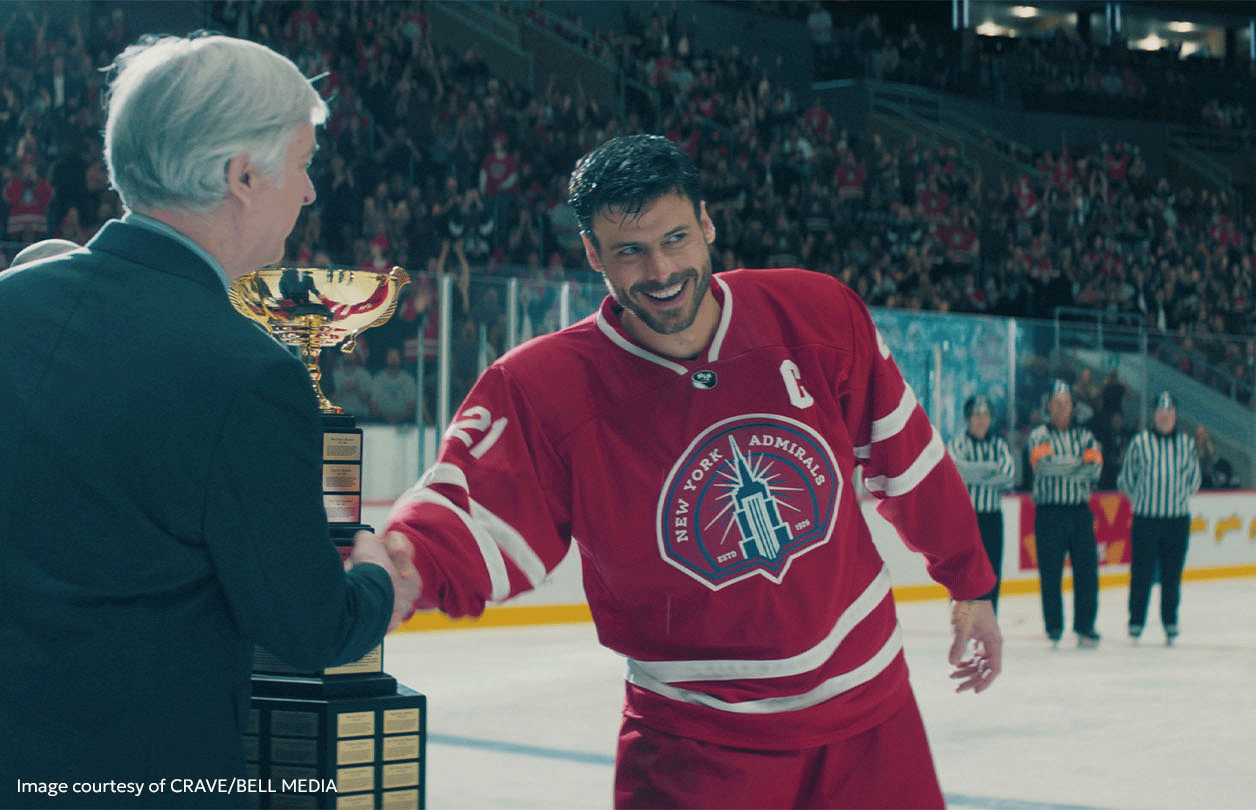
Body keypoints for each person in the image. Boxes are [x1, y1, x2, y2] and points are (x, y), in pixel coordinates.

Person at [381, 134, 1002, 809]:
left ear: (707, 223)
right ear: (593, 254)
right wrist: (404, 567)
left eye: (676, 238)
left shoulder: (815, 314)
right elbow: (473, 513)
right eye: (630, 251)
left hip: (869, 717)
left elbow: (907, 460)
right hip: (694, 746)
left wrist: (969, 585)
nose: (661, 269)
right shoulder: (545, 388)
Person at [0, 35, 417, 810]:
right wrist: (376, 582)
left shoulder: (9, 307)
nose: (310, 193)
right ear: (242, 175)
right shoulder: (248, 373)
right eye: (302, 163)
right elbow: (304, 628)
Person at [1117, 392, 1201, 646]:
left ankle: (1170, 621)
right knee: (1141, 573)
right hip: (1146, 520)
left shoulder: (1186, 444)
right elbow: (1126, 480)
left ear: (1175, 415)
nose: (1165, 416)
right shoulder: (1140, 442)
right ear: (1154, 415)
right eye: (1160, 411)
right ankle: (1136, 621)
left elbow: (1194, 481)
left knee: (1172, 575)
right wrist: (1143, 501)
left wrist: (1175, 498)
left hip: (1176, 520)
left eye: (1169, 412)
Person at [1027, 379, 1103, 648]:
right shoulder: (1039, 435)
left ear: (1073, 406)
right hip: (1049, 514)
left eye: (1066, 403)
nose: (1061, 408)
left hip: (1080, 513)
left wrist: (1063, 465)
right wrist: (1077, 464)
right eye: (1056, 404)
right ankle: (1054, 626)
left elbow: (1094, 469)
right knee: (1050, 572)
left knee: (1087, 571)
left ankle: (1085, 626)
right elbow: (1043, 467)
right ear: (1049, 406)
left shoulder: (1087, 436)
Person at [947, 394, 1014, 610]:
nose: (981, 419)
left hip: (992, 519)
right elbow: (957, 471)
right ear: (968, 418)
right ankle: (962, 628)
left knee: (992, 572)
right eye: (976, 414)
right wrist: (989, 469)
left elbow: (1008, 475)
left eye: (985, 415)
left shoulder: (999, 445)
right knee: (962, 573)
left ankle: (988, 628)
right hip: (964, 519)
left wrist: (973, 471)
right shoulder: (957, 444)